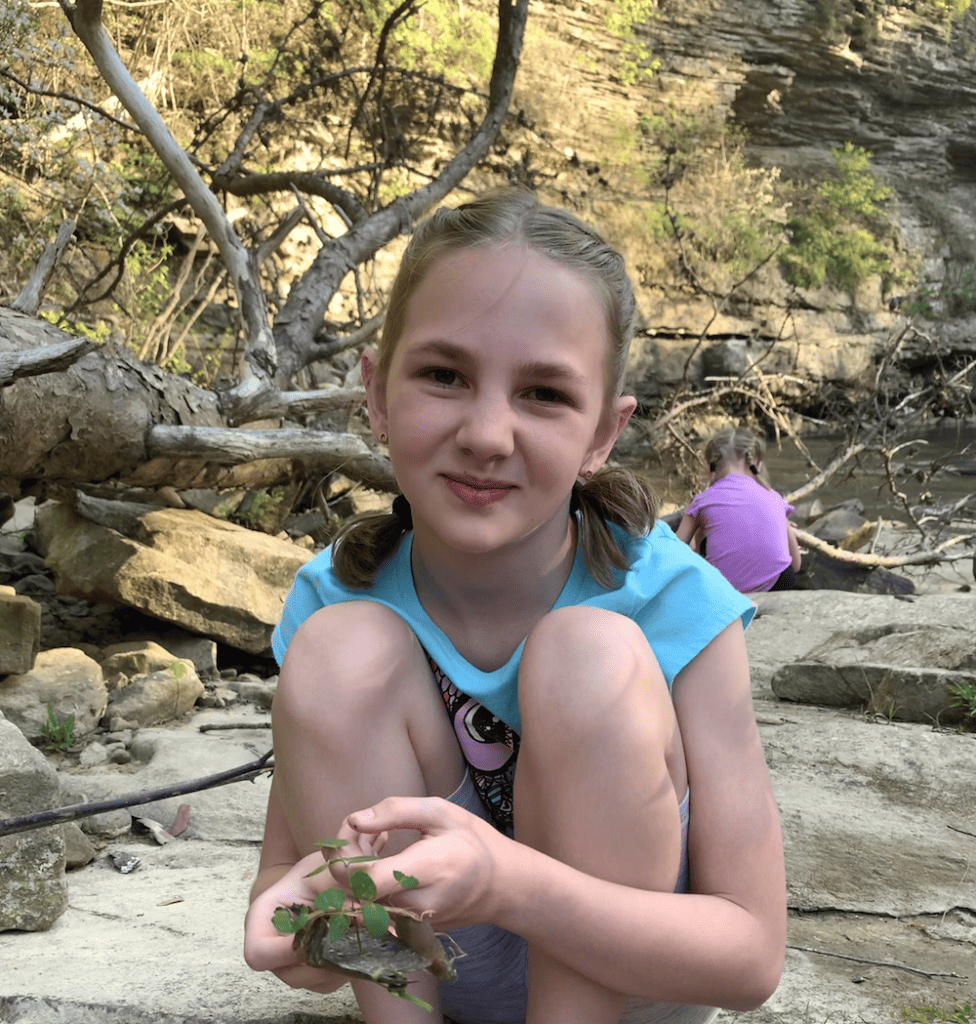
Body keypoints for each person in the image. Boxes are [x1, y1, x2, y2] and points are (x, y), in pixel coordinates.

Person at [243, 188, 786, 1024]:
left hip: (629, 965)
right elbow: (298, 940)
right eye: (443, 375)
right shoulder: (329, 600)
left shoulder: (677, 601)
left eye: (543, 394)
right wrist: (317, 927)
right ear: (377, 393)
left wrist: (509, 882)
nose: (488, 434)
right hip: (453, 970)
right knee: (337, 647)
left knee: (587, 654)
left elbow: (750, 958)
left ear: (603, 433)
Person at [675, 428, 802, 594]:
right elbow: (796, 564)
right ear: (757, 464)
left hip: (724, 591)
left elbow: (673, 551)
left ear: (708, 465)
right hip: (778, 585)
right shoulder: (774, 497)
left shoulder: (702, 501)